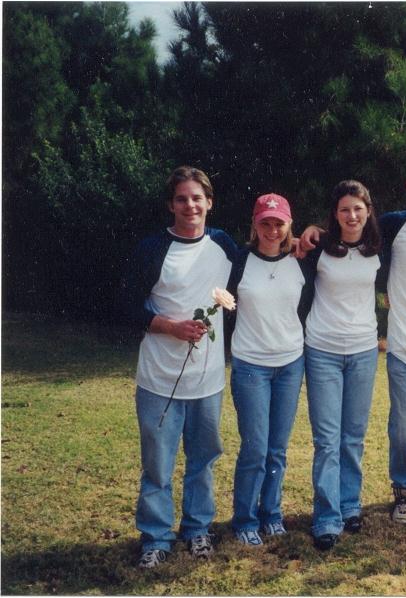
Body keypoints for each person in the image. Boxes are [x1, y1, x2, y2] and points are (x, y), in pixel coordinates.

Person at [300, 156, 406, 524]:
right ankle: (404, 488)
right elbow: (351, 228)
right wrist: (313, 229)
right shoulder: (394, 226)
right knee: (401, 426)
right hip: (403, 347)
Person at [121, 166, 237, 569]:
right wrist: (171, 327)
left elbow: (265, 258)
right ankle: (156, 537)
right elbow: (126, 308)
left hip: (206, 382)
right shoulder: (152, 248)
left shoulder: (223, 245)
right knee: (158, 465)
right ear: (171, 205)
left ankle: (198, 530)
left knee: (203, 461)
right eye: (182, 199)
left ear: (210, 202)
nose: (191, 205)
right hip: (158, 379)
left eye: (197, 198)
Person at [301, 180, 382, 551]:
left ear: (368, 211)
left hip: (364, 351)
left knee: (353, 437)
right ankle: (327, 516)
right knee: (327, 440)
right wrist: (307, 232)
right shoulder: (319, 249)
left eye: (358, 209)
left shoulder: (380, 249)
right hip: (322, 351)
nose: (352, 216)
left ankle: (351, 505)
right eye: (345, 209)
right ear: (335, 214)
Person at [226, 193, 310, 546]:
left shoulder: (301, 260)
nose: (272, 230)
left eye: (279, 223)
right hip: (251, 366)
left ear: (289, 224)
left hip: (291, 363)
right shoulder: (240, 261)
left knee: (277, 447)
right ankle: (244, 518)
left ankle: (271, 513)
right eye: (266, 223)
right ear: (255, 225)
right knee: (255, 448)